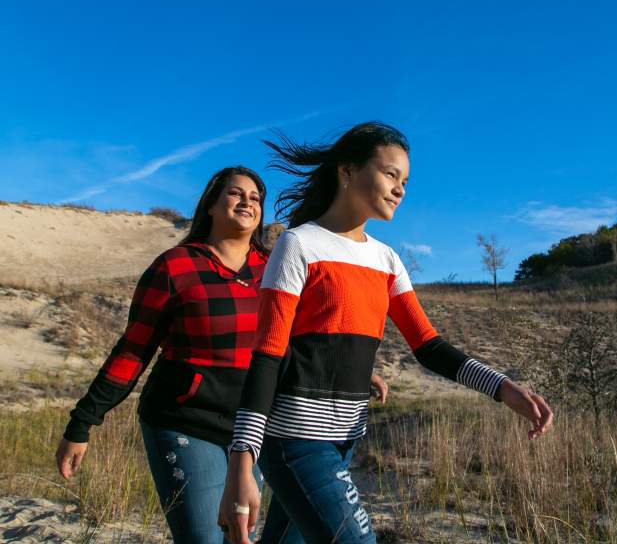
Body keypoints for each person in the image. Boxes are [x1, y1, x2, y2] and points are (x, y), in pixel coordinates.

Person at [218, 122, 554, 544]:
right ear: (347, 170)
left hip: (347, 438)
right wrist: (241, 465)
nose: (400, 189)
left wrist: (503, 388)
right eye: (390, 174)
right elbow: (267, 357)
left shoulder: (386, 259)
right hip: (295, 440)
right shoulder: (299, 245)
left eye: (405, 181)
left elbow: (428, 346)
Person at [55, 165, 388, 544]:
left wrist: (357, 373)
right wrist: (82, 422)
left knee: (243, 533)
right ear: (211, 205)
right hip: (186, 420)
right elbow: (133, 349)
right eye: (235, 193)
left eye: (256, 198)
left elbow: (303, 340)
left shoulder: (276, 266)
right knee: (207, 537)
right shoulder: (175, 266)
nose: (247, 201)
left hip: (256, 423)